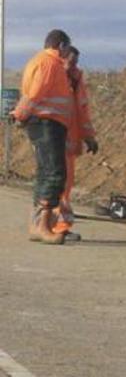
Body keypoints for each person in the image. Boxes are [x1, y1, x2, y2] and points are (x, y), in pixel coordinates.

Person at [9, 29, 74, 245]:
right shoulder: (50, 64)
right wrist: (20, 114)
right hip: (47, 123)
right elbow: (35, 93)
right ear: (61, 45)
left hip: (45, 123)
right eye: (67, 48)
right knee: (55, 174)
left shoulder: (38, 61)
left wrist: (22, 115)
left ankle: (37, 225)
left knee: (45, 173)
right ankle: (44, 226)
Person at [52, 45, 99, 240]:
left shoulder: (75, 81)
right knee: (58, 186)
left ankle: (55, 225)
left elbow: (82, 113)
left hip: (68, 143)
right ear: (61, 59)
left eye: (75, 63)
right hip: (55, 143)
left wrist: (89, 137)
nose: (73, 67)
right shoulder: (55, 80)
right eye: (71, 62)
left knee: (65, 185)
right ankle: (59, 227)